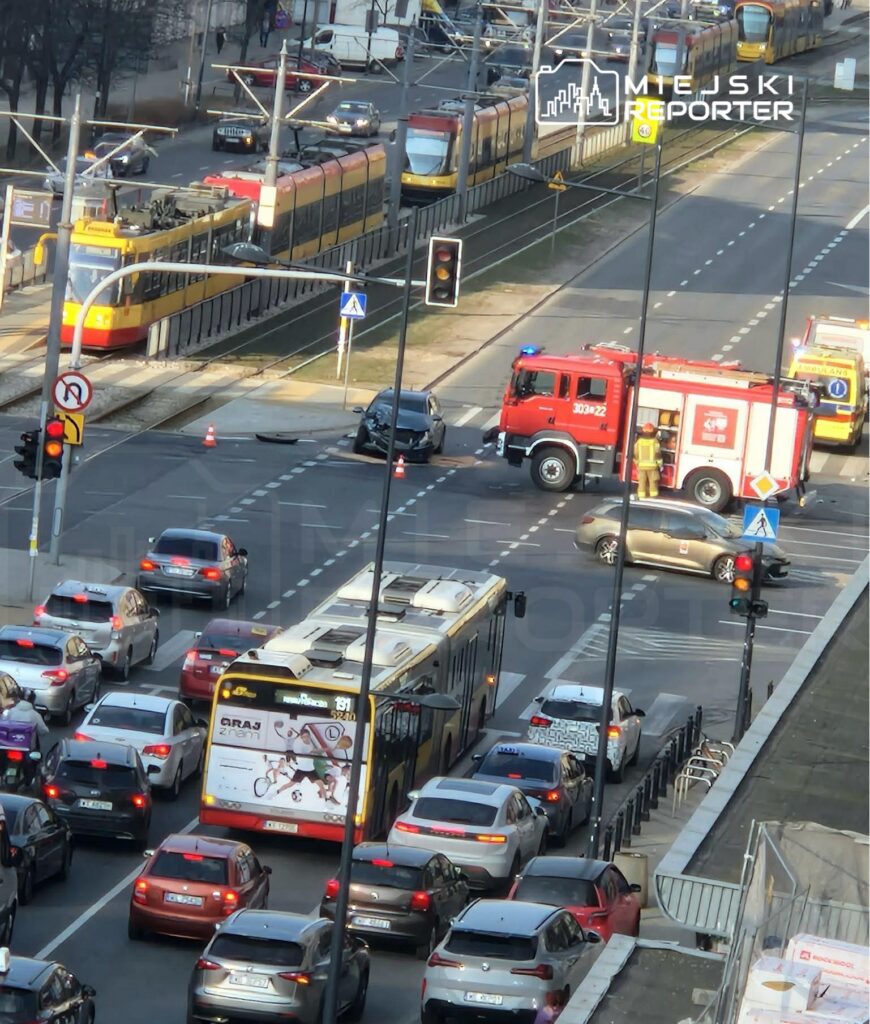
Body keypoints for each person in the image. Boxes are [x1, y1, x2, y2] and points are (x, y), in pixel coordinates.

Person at [633, 422, 662, 499]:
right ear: (652, 431)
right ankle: (653, 497)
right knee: (653, 483)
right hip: (652, 467)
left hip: (641, 466)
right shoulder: (655, 441)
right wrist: (660, 464)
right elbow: (658, 453)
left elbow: (635, 453)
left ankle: (641, 497)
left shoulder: (639, 442)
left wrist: (637, 463)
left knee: (641, 483)